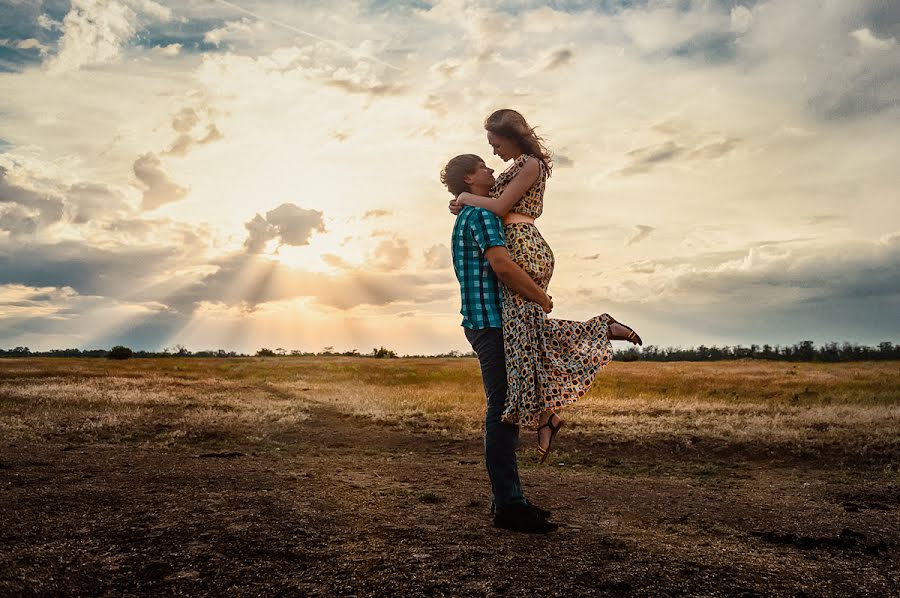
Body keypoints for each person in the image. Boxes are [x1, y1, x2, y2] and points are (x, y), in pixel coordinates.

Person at [451, 109, 643, 464]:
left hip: (524, 245)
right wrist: (461, 199)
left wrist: (464, 198)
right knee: (527, 334)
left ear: (509, 134)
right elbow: (486, 197)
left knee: (525, 333)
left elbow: (499, 205)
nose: (493, 153)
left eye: (494, 143)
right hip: (515, 242)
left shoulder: (531, 165)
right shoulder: (511, 168)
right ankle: (546, 416)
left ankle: (598, 332)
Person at [441, 153, 557, 534]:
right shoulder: (484, 215)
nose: (492, 171)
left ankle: (510, 498)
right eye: (485, 168)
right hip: (492, 324)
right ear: (472, 179)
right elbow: (502, 265)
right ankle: (508, 505)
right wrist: (540, 297)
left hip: (482, 323)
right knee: (502, 413)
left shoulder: (466, 215)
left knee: (504, 411)